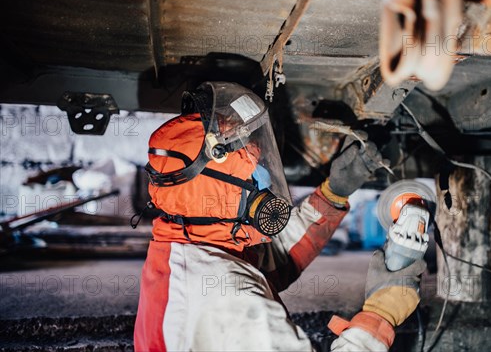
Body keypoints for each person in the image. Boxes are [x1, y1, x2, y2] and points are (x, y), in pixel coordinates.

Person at [134, 81, 426, 351]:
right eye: (252, 169)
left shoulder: (191, 247)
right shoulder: (228, 293)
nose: (263, 177)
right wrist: (381, 314)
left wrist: (333, 193)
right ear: (219, 189)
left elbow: (276, 260)